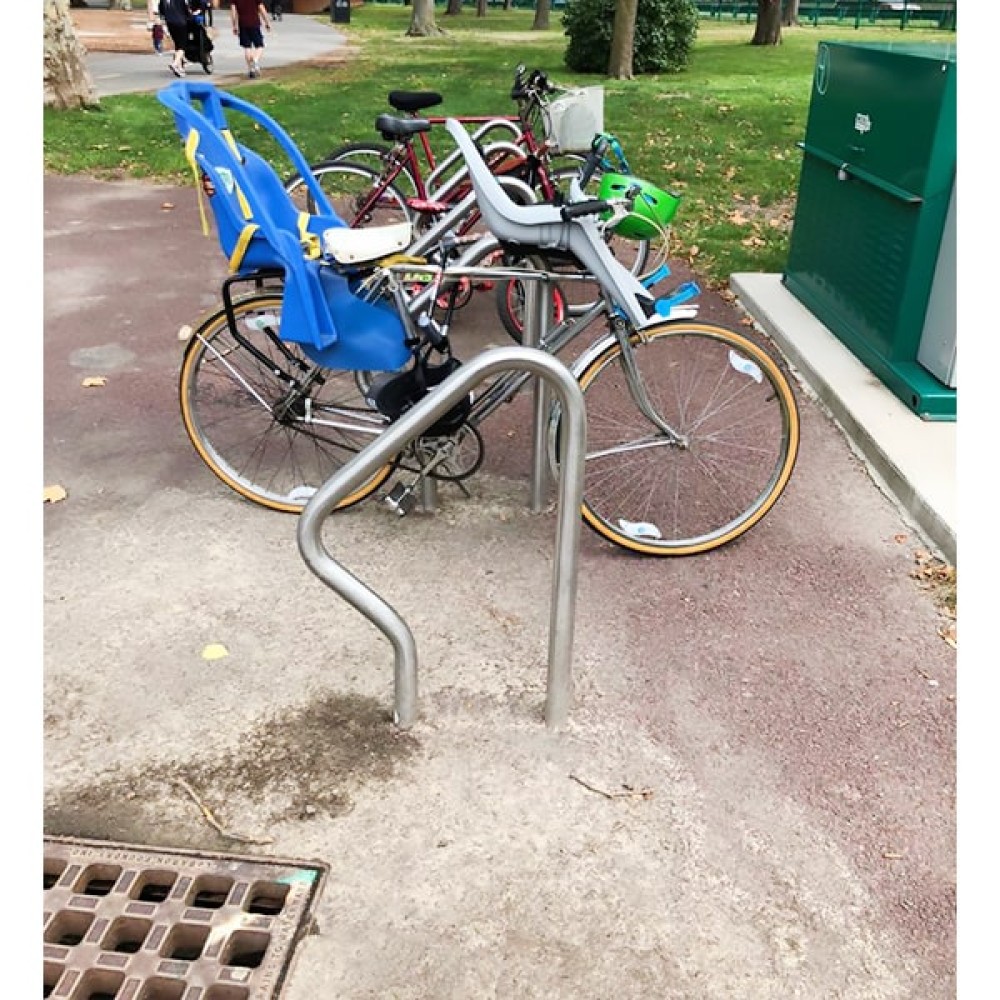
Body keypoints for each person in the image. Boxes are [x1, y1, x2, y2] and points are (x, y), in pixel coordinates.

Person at [230, 0, 272, 80]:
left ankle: (251, 70)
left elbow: (233, 11)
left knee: (247, 47)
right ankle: (255, 60)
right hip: (254, 23)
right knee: (260, 45)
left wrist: (234, 25)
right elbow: (261, 8)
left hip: (242, 24)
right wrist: (267, 22)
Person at [157, 0, 193, 78]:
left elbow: (161, 12)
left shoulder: (163, 1)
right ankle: (175, 64)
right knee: (182, 46)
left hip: (170, 24)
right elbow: (186, 10)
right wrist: (191, 17)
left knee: (177, 44)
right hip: (181, 23)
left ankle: (180, 68)